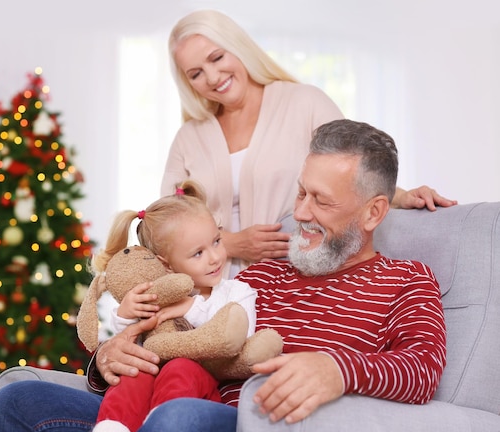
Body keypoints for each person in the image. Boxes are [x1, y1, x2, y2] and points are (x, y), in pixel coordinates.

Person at [0, 118, 447, 432]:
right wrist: (109, 356)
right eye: (301, 192)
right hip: (180, 400)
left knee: (176, 422)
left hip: (260, 428)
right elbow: (179, 335)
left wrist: (337, 369)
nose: (301, 213)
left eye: (320, 201)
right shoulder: (264, 271)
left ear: (373, 212)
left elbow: (423, 370)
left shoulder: (405, 280)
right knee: (19, 401)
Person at [160, 9, 457, 278]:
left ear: (238, 47)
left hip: (289, 281)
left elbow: (352, 167)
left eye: (217, 57)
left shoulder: (303, 102)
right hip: (205, 294)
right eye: (196, 74)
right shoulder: (188, 137)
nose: (212, 77)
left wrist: (401, 197)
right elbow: (164, 225)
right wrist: (232, 243)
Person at [86, 180, 259, 432]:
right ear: (166, 264)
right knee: (135, 372)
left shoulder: (237, 291)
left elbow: (238, 336)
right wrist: (125, 312)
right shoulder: (157, 294)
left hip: (199, 393)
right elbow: (129, 340)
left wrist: (191, 308)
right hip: (150, 387)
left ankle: (159, 431)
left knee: (180, 367)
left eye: (217, 241)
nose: (214, 257)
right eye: (198, 253)